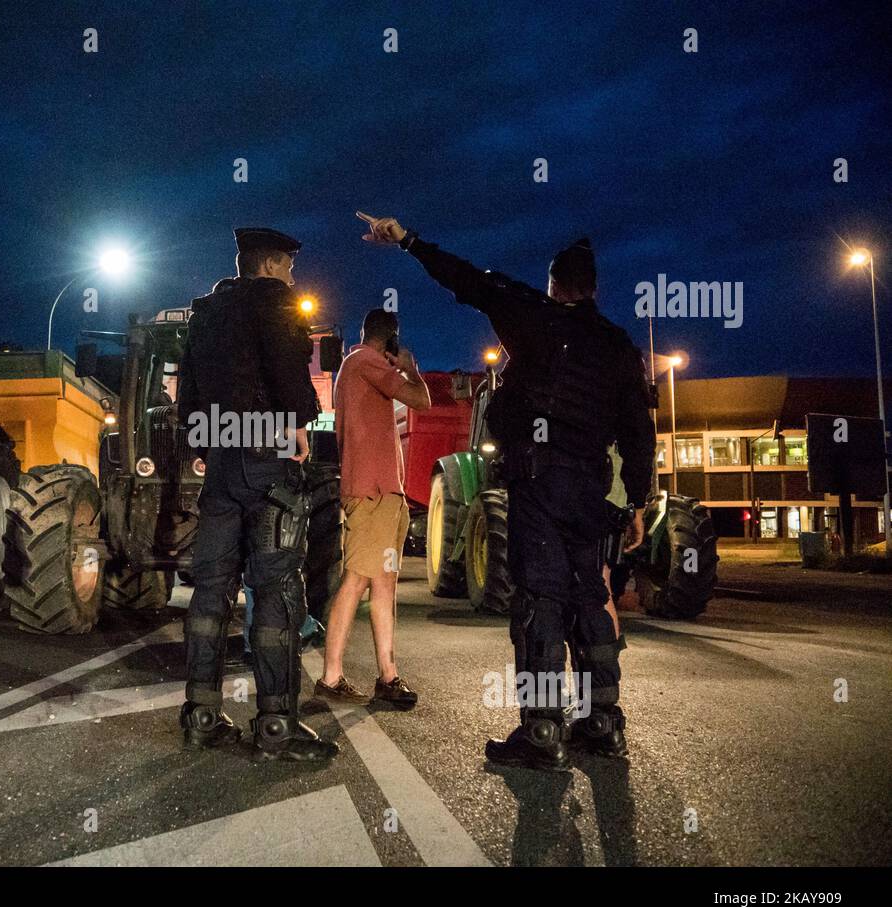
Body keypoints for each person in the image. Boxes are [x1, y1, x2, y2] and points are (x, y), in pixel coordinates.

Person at [358, 211, 655, 770]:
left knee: (541, 597)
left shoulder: (530, 316)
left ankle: (543, 730)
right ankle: (604, 724)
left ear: (553, 284)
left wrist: (409, 241)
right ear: (593, 288)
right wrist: (637, 502)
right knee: (590, 596)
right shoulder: (618, 346)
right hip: (592, 490)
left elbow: (467, 280)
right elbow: (641, 433)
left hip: (539, 482)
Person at [177, 227, 338, 762]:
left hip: (220, 456)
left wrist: (202, 441)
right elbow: (289, 372)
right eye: (288, 267)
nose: (291, 276)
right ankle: (275, 724)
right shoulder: (277, 302)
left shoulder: (206, 312)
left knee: (211, 590)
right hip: (266, 452)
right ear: (270, 266)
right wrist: (296, 425)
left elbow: (191, 386)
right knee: (275, 589)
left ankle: (200, 715)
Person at [317, 309, 430, 709]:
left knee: (381, 584)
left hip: (382, 494)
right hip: (374, 493)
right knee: (357, 580)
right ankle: (331, 677)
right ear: (390, 339)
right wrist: (411, 369)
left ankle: (388, 674)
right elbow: (422, 400)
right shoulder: (364, 360)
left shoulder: (356, 365)